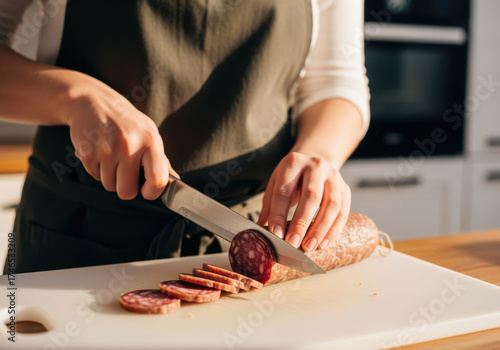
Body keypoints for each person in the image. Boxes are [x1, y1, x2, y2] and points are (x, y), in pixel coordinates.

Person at [0, 0, 370, 273]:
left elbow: (336, 81)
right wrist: (78, 96)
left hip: (244, 245)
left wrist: (320, 151)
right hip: (76, 242)